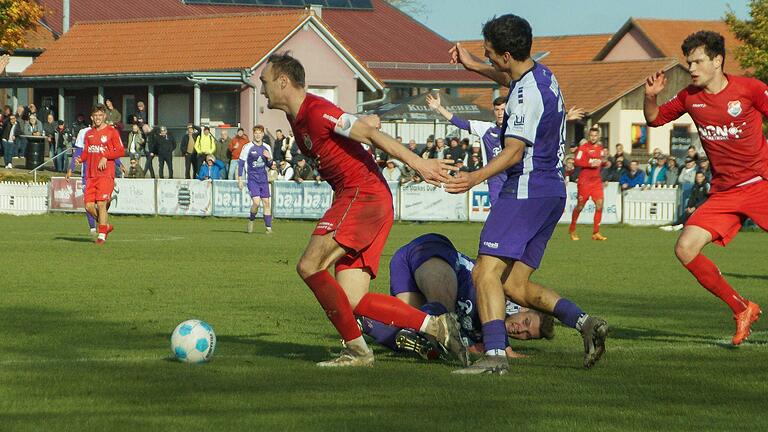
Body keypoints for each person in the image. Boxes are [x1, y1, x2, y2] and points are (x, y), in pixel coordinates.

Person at [260, 52, 463, 367]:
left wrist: (418, 163)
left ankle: (357, 352)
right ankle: (436, 325)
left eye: (264, 81)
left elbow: (368, 134)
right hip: (369, 199)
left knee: (309, 266)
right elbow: (349, 126)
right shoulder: (299, 116)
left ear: (283, 81)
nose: (261, 89)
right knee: (351, 300)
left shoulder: (315, 112)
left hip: (361, 196)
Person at [446, 14, 608, 374]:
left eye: (489, 54)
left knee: (484, 273)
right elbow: (507, 76)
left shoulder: (523, 97)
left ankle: (494, 358)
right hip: (552, 192)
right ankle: (585, 323)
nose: (487, 58)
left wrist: (473, 177)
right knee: (514, 285)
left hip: (525, 190)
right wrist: (473, 65)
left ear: (506, 54)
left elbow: (513, 153)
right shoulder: (542, 74)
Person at [644, 30, 767, 344]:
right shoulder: (689, 97)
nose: (692, 68)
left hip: (760, 185)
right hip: (724, 193)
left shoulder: (750, 89)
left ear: (717, 60)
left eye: (698, 61)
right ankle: (741, 308)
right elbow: (655, 119)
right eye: (689, 62)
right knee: (685, 248)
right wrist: (650, 96)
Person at [361, 233, 555, 360]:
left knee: (418, 331)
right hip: (433, 252)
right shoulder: (500, 299)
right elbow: (500, 342)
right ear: (522, 309)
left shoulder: (483, 334)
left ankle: (361, 321)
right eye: (526, 322)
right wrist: (505, 350)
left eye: (526, 335)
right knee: (442, 312)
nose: (519, 329)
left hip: (405, 267)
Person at [427, 93, 507, 205]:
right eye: (497, 109)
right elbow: (461, 123)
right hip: (495, 177)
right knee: (498, 211)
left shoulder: (517, 129)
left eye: (503, 109)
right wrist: (439, 108)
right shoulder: (486, 128)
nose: (500, 113)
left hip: (515, 175)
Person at [78, 104, 125, 244]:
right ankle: (105, 226)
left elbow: (120, 151)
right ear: (92, 117)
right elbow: (87, 152)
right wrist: (81, 158)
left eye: (100, 115)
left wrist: (106, 156)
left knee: (101, 203)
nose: (98, 118)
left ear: (104, 116)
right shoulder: (89, 134)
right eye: (95, 116)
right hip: (91, 175)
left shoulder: (112, 132)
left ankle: (101, 236)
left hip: (105, 175)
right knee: (88, 207)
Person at [569, 126, 608, 241]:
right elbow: (577, 161)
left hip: (596, 181)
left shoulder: (600, 149)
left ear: (598, 136)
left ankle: (596, 232)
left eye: (595, 135)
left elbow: (600, 162)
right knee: (580, 206)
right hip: (584, 182)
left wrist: (605, 163)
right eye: (591, 135)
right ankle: (572, 229)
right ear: (588, 136)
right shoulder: (583, 148)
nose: (593, 138)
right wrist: (590, 164)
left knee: (600, 204)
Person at [237, 125, 274, 234]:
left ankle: (268, 228)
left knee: (267, 203)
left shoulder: (267, 147)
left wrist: (270, 158)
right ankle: (252, 219)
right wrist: (239, 179)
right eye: (256, 133)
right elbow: (241, 164)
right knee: (256, 203)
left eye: (260, 133)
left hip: (263, 179)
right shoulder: (247, 147)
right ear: (253, 134)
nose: (258, 135)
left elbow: (270, 165)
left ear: (263, 134)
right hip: (252, 179)